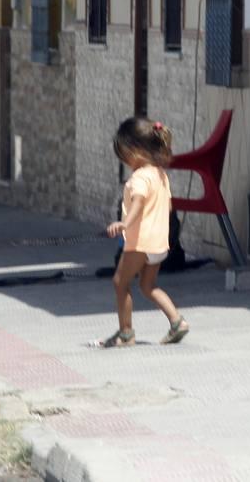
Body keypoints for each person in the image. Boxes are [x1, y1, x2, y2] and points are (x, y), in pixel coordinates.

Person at [98, 116, 189, 348]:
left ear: (135, 151)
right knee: (148, 286)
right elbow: (167, 207)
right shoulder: (160, 175)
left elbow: (138, 203)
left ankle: (126, 333)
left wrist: (124, 224)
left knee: (120, 282)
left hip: (140, 241)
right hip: (160, 242)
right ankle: (177, 321)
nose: (125, 161)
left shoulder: (139, 178)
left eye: (124, 155)